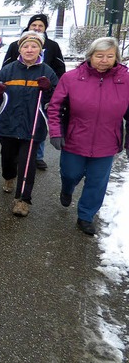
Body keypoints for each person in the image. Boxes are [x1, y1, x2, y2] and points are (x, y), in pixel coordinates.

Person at [47, 37, 129, 235]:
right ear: (90, 57)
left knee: (97, 181)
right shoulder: (71, 78)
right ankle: (67, 189)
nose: (104, 60)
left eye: (110, 56)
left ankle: (85, 216)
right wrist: (56, 132)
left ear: (116, 58)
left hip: (107, 142)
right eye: (99, 56)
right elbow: (55, 106)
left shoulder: (125, 80)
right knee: (70, 174)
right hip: (75, 139)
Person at [0, 31, 59, 217]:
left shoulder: (47, 72)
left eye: (34, 46)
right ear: (20, 49)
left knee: (27, 163)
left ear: (40, 49)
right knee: (7, 157)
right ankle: (9, 176)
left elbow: (57, 100)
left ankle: (23, 199)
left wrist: (48, 90)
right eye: (26, 46)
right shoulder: (8, 70)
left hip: (33, 126)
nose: (30, 49)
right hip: (8, 125)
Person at [2, 14, 66, 170]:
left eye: (41, 26)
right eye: (34, 25)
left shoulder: (53, 46)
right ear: (29, 26)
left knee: (38, 122)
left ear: (45, 29)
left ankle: (37, 156)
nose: (37, 28)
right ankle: (17, 158)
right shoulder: (15, 45)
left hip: (42, 91)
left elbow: (60, 69)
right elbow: (5, 69)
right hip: (18, 90)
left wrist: (51, 86)